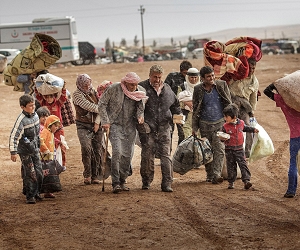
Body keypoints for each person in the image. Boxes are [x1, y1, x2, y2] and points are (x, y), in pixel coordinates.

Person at [99, 72, 147, 193]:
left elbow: (140, 107)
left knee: (127, 154)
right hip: (115, 124)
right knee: (117, 152)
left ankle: (122, 180)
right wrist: (105, 121)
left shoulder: (140, 91)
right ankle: (115, 182)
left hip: (130, 126)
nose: (134, 87)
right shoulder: (114, 88)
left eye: (135, 85)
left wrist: (140, 116)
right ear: (125, 83)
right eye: (131, 85)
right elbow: (102, 104)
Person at [139, 64, 182, 192]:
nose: (157, 80)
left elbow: (176, 106)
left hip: (164, 127)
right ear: (149, 76)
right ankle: (146, 181)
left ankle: (167, 183)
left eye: (159, 77)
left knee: (166, 155)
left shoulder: (167, 89)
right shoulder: (142, 88)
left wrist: (178, 116)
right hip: (148, 128)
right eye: (154, 77)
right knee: (147, 155)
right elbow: (137, 107)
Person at [192, 66, 232, 184]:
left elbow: (228, 103)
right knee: (207, 151)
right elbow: (196, 109)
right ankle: (209, 174)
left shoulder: (221, 85)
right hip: (204, 125)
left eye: (213, 75)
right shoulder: (198, 89)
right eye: (209, 76)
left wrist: (230, 120)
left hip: (220, 124)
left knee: (219, 150)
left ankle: (216, 174)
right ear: (203, 78)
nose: (212, 78)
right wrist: (194, 127)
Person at [264, 83, 300, 198]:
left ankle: (291, 191)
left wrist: (277, 84)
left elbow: (267, 91)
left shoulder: (284, 101)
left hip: (295, 136)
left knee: (293, 163)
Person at [9, 94, 43, 204]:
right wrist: (13, 152)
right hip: (25, 151)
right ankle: (30, 196)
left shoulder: (36, 116)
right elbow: (14, 136)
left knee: (39, 172)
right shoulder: (21, 120)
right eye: (30, 106)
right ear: (22, 107)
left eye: (33, 105)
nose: (33, 107)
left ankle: (36, 192)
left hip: (35, 149)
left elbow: (38, 134)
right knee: (30, 173)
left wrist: (39, 144)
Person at [73, 74, 103, 185]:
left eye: (88, 84)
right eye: (85, 85)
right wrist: (103, 108)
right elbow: (91, 106)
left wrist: (97, 122)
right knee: (86, 148)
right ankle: (87, 175)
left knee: (97, 149)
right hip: (83, 125)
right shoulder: (76, 95)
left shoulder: (94, 91)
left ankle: (95, 175)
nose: (87, 87)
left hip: (96, 124)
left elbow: (100, 107)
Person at [221, 103, 259, 189]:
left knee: (243, 164)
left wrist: (253, 130)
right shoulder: (225, 126)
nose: (225, 118)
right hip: (229, 149)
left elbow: (246, 128)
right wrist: (222, 138)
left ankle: (246, 181)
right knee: (231, 166)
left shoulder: (241, 123)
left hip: (239, 149)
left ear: (234, 117)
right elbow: (222, 136)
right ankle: (231, 182)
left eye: (226, 117)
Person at [228, 58, 259, 157]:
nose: (252, 70)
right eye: (250, 67)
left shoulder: (254, 81)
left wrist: (251, 111)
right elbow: (227, 90)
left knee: (248, 127)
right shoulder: (237, 76)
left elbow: (253, 98)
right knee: (229, 127)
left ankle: (247, 152)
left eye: (254, 68)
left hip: (245, 107)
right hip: (232, 105)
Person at [35, 82, 67, 169]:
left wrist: (63, 87)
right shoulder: (43, 103)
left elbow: (63, 97)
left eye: (51, 96)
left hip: (58, 129)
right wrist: (36, 85)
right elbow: (38, 95)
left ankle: (62, 164)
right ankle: (52, 164)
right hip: (48, 129)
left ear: (54, 96)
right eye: (47, 97)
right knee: (51, 146)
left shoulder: (58, 103)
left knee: (62, 146)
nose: (49, 99)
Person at [164, 60, 193, 144]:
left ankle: (180, 154)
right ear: (180, 71)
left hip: (184, 112)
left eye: (188, 73)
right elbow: (165, 91)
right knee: (169, 133)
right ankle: (167, 155)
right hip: (171, 110)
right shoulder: (172, 77)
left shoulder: (193, 79)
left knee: (183, 134)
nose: (186, 75)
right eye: (184, 73)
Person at [40, 115, 62, 198]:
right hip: (44, 158)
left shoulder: (50, 133)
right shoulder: (45, 132)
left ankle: (48, 191)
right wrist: (46, 150)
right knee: (45, 175)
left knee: (49, 176)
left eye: (57, 126)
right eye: (55, 126)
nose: (56, 128)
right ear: (50, 125)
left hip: (49, 157)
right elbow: (41, 141)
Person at [177, 67, 200, 139]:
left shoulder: (202, 87)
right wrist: (186, 103)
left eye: (195, 77)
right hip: (186, 119)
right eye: (191, 77)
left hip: (199, 120)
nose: (193, 80)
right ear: (187, 77)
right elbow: (177, 102)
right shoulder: (182, 87)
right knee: (187, 140)